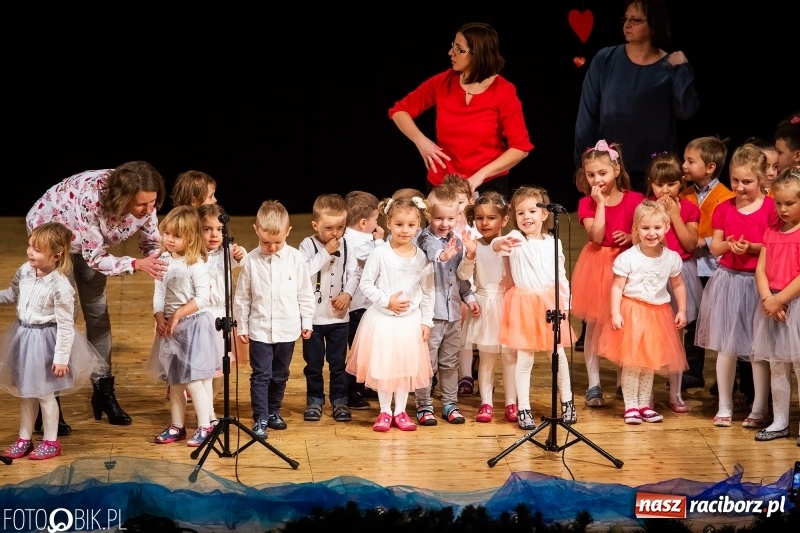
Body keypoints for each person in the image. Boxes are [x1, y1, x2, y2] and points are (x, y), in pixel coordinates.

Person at [26, 161, 169, 427]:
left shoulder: (146, 200)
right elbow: (95, 258)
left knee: (98, 313)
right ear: (123, 197)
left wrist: (162, 263)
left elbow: (151, 241)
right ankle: (47, 403)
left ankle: (104, 392)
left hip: (90, 244)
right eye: (142, 205)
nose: (149, 210)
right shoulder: (92, 200)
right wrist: (136, 264)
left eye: (153, 203)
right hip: (53, 235)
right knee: (61, 318)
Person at [0, 223, 107, 460]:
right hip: (24, 337)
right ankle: (24, 438)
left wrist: (61, 358)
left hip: (45, 343)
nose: (30, 253)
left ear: (56, 256)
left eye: (37, 250)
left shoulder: (60, 286)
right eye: (30, 246)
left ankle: (50, 441)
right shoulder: (24, 271)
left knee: (45, 394)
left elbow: (66, 325)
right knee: (26, 392)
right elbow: (13, 294)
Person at [388, 22, 533, 197]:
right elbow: (399, 111)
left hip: (487, 186)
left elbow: (520, 148)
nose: (451, 53)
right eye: (453, 46)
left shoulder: (504, 91)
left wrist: (480, 176)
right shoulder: (442, 82)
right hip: (443, 185)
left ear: (478, 54)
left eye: (459, 49)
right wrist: (421, 141)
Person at [574, 0, 699, 193]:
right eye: (626, 18)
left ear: (654, 24)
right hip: (610, 169)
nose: (627, 24)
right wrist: (583, 164)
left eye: (636, 20)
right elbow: (587, 114)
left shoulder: (669, 66)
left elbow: (686, 111)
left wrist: (682, 69)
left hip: (656, 173)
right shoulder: (606, 59)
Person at [695, 144, 779, 428]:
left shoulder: (770, 208)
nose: (740, 187)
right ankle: (725, 406)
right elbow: (716, 245)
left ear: (762, 180)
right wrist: (730, 245)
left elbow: (773, 245)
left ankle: (758, 409)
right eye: (735, 180)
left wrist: (752, 247)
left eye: (747, 182)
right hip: (729, 282)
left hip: (759, 283)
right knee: (726, 348)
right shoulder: (724, 208)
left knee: (759, 350)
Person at [593, 201, 687, 424]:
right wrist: (615, 312)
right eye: (645, 228)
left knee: (649, 364)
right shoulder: (628, 257)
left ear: (666, 227)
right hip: (633, 313)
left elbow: (678, 285)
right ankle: (631, 406)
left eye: (656, 228)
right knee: (633, 363)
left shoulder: (671, 257)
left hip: (658, 315)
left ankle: (645, 404)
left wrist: (682, 309)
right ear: (636, 229)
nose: (651, 233)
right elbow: (617, 286)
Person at [346, 196, 435, 432]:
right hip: (384, 320)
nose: (404, 230)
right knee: (385, 367)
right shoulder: (380, 253)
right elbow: (366, 284)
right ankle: (385, 411)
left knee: (404, 369)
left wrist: (426, 320)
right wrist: (387, 301)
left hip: (410, 322)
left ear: (419, 225)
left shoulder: (422, 257)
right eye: (398, 224)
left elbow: (428, 292)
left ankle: (401, 411)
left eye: (411, 225)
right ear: (388, 223)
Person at [491, 187, 577, 429]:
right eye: (520, 213)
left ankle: (567, 401)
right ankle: (524, 407)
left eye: (532, 211)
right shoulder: (516, 239)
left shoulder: (554, 241)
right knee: (525, 359)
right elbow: (497, 244)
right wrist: (500, 243)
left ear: (544, 215)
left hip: (550, 303)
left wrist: (566, 302)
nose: (526, 216)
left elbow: (561, 274)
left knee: (557, 354)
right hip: (524, 305)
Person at [571, 140, 644, 407]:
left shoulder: (636, 200)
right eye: (591, 174)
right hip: (598, 266)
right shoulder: (586, 203)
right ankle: (594, 384)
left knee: (622, 325)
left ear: (616, 169)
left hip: (627, 266)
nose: (597, 179)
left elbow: (647, 231)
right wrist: (599, 204)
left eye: (602, 173)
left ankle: (623, 382)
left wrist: (631, 236)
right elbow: (598, 236)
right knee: (594, 326)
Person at [234, 201, 315, 439]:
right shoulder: (250, 260)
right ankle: (260, 417)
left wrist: (306, 321)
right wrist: (243, 325)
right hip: (260, 329)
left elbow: (304, 293)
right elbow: (243, 297)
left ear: (288, 232)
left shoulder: (296, 259)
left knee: (281, 374)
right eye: (265, 242)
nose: (271, 247)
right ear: (256, 231)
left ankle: (273, 411)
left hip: (288, 329)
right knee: (261, 375)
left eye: (277, 242)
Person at [147, 206, 218, 447]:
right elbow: (159, 292)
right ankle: (177, 426)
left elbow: (203, 298)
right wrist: (159, 316)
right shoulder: (163, 260)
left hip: (193, 328)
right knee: (175, 380)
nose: (169, 239)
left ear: (190, 238)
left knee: (194, 380)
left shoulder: (195, 263)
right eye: (166, 233)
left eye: (176, 236)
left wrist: (178, 313)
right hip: (171, 328)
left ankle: (205, 425)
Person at [415, 185, 477, 426]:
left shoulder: (457, 240)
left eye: (450, 218)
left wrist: (469, 299)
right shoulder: (424, 238)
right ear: (428, 215)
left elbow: (460, 278)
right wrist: (443, 255)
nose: (444, 223)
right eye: (438, 217)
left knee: (449, 361)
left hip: (452, 313)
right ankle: (424, 404)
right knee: (427, 362)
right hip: (430, 315)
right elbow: (433, 253)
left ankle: (450, 403)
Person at [644, 152, 701, 412]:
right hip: (650, 274)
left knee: (675, 339)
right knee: (646, 336)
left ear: (681, 183)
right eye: (659, 184)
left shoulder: (689, 208)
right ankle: (644, 393)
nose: (665, 190)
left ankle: (675, 393)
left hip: (680, 274)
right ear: (650, 183)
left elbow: (689, 244)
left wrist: (674, 215)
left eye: (671, 184)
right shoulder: (644, 208)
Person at [678, 136, 734, 391]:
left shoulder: (727, 196)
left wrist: (706, 239)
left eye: (691, 161)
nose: (684, 165)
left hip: (714, 267)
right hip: (691, 267)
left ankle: (729, 378)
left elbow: (731, 229)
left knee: (721, 320)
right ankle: (693, 371)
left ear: (710, 167)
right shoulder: (685, 194)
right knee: (693, 319)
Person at [299, 194, 360, 423]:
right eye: (328, 228)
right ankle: (314, 400)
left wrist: (348, 294)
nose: (335, 233)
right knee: (313, 364)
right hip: (313, 318)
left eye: (340, 227)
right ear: (316, 225)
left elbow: (354, 273)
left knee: (337, 364)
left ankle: (339, 400)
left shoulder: (347, 244)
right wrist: (325, 253)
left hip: (338, 318)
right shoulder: (307, 245)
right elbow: (303, 273)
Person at [457, 192, 517, 423]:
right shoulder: (474, 245)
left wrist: (498, 246)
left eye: (491, 218)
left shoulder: (510, 241)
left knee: (510, 358)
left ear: (504, 219)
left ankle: (511, 402)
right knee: (487, 358)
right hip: (484, 305)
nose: (485, 223)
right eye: (480, 218)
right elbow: (463, 275)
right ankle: (486, 403)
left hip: (509, 305)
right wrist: (470, 254)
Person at [752, 167, 800, 445]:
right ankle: (780, 421)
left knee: (798, 365)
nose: (782, 209)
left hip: (793, 304)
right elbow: (761, 270)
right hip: (774, 304)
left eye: (789, 203)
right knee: (778, 366)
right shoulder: (771, 231)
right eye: (778, 203)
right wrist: (768, 298)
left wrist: (779, 299)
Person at [197, 203, 246, 424]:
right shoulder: (194, 255)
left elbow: (242, 260)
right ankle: (207, 413)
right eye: (207, 229)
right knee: (206, 369)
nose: (214, 234)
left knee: (222, 367)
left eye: (218, 229)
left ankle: (210, 406)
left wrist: (239, 253)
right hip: (202, 316)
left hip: (223, 316)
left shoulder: (227, 251)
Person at [343, 190, 385, 410]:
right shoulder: (356, 242)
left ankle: (362, 384)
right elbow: (377, 263)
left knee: (364, 350)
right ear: (362, 223)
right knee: (356, 351)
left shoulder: (360, 237)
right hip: (357, 307)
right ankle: (351, 391)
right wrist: (379, 242)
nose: (378, 224)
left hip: (364, 307)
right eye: (376, 219)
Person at [442, 174, 481, 397]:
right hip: (456, 293)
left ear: (470, 202)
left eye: (461, 201)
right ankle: (464, 376)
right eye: (452, 202)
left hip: (477, 290)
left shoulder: (476, 231)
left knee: (480, 338)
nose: (457, 207)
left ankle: (483, 375)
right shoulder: (446, 232)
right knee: (461, 337)